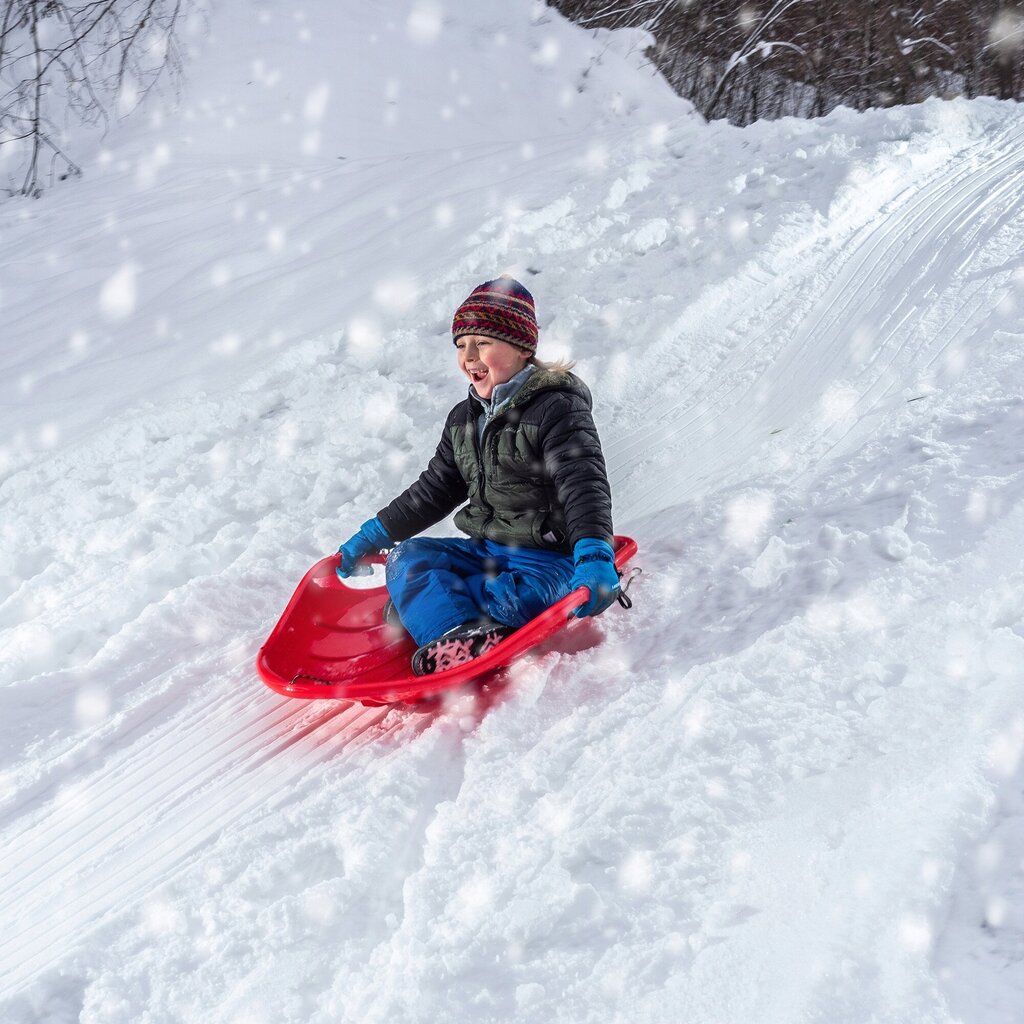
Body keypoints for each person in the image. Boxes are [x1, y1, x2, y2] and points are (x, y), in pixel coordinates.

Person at [335, 275, 619, 675]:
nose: (468, 356)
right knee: (409, 558)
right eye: (460, 345)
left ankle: (433, 607)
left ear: (522, 348)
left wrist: (594, 554)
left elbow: (584, 486)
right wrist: (376, 533)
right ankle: (456, 630)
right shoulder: (463, 419)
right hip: (486, 554)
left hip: (548, 559)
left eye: (482, 343)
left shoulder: (556, 409)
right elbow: (435, 488)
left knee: (521, 602)